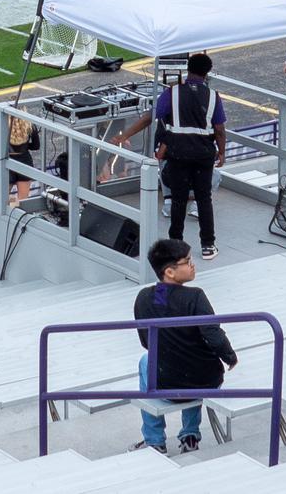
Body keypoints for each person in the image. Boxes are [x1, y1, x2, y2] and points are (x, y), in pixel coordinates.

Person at [110, 55, 226, 259]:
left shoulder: (172, 93)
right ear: (207, 73)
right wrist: (222, 152)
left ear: (187, 69)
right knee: (204, 199)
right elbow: (219, 129)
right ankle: (208, 245)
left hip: (178, 153)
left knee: (178, 200)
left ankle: (176, 245)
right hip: (203, 154)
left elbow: (149, 117)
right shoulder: (213, 96)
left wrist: (124, 136)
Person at [129, 238, 237, 454]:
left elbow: (147, 343)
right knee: (196, 361)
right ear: (170, 271)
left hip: (166, 382)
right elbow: (213, 335)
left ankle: (154, 440)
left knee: (146, 361)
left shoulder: (146, 297)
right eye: (187, 261)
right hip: (205, 381)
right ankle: (190, 436)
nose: (193, 264)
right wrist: (230, 357)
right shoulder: (195, 296)